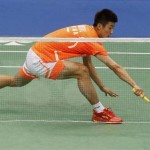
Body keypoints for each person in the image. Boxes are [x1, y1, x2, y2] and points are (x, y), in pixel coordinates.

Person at [0, 9, 144, 124]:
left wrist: (101, 86)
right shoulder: (92, 41)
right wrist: (134, 85)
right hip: (41, 60)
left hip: (35, 53)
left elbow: (87, 62)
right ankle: (100, 113)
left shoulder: (86, 31)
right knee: (80, 72)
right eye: (110, 28)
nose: (112, 32)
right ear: (100, 26)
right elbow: (114, 66)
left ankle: (100, 112)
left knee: (15, 82)